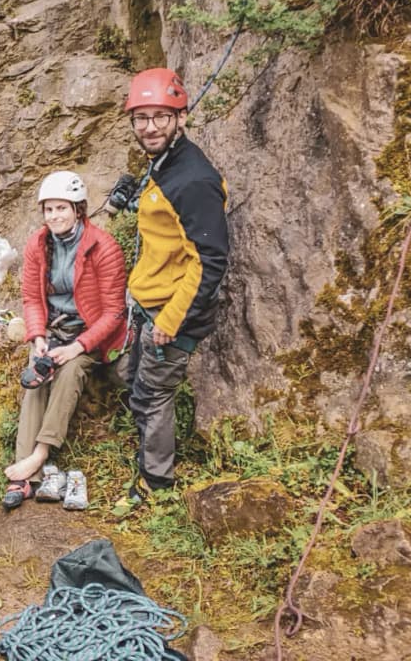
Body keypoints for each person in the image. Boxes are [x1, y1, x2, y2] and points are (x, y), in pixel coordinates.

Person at [114, 68, 229, 504]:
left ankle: (155, 483)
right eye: (141, 118)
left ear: (181, 117)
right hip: (153, 303)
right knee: (135, 382)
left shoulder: (193, 179)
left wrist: (171, 320)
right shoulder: (166, 163)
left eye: (160, 116)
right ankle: (149, 455)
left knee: (152, 395)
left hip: (172, 311)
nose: (149, 127)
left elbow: (210, 260)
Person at [3, 171, 127, 510]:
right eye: (49, 209)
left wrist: (77, 347)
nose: (54, 216)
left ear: (78, 209)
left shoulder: (104, 247)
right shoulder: (37, 245)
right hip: (55, 331)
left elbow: (114, 312)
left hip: (90, 336)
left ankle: (39, 455)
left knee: (69, 371)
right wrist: (37, 337)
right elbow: (31, 298)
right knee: (37, 374)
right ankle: (25, 481)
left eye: (62, 208)